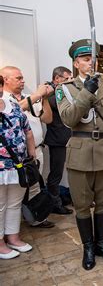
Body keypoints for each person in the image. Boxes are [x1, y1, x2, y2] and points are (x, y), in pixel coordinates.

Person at [56, 39, 103, 270]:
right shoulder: (64, 89)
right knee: (83, 205)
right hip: (79, 155)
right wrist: (87, 92)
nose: (91, 62)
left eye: (93, 58)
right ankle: (88, 247)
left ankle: (101, 244)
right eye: (86, 59)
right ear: (76, 63)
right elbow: (69, 118)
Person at [0, 66, 55, 228]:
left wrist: (44, 99)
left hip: (36, 150)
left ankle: (36, 218)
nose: (22, 81)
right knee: (11, 196)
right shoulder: (6, 100)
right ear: (5, 79)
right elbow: (18, 109)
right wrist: (37, 94)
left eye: (22, 77)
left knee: (35, 187)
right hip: (13, 157)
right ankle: (11, 228)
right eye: (18, 78)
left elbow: (47, 119)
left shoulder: (27, 97)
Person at [0, 96, 35, 259]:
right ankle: (0, 244)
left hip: (19, 165)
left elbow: (27, 131)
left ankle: (13, 238)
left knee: (14, 203)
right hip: (1, 168)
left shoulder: (14, 106)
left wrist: (32, 153)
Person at [45, 66, 73, 215]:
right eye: (66, 78)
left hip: (70, 139)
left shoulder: (65, 91)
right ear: (57, 79)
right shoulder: (50, 93)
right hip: (57, 140)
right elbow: (65, 108)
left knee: (74, 172)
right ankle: (55, 204)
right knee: (56, 174)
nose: (70, 81)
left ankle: (74, 198)